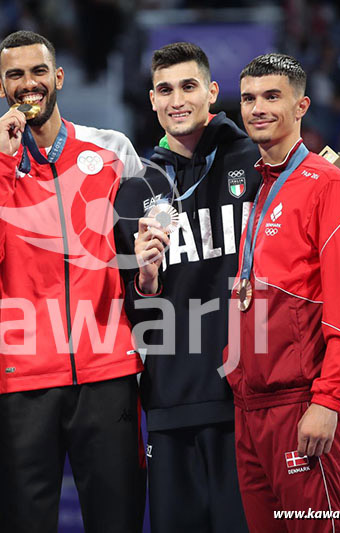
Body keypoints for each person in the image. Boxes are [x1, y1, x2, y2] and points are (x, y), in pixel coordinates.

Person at [0, 31, 146, 533]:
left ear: (57, 77)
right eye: (15, 75)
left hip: (107, 372)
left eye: (38, 71)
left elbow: (143, 256)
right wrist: (4, 161)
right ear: (0, 87)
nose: (29, 84)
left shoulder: (113, 151)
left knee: (118, 522)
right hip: (23, 381)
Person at [223, 53, 340, 532]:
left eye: (272, 97)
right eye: (249, 98)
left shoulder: (330, 186)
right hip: (251, 409)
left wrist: (330, 402)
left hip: (302, 405)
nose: (258, 108)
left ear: (302, 105)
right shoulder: (259, 187)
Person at [114, 41, 257, 533]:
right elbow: (132, 310)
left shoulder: (255, 163)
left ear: (212, 91)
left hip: (247, 397)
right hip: (170, 401)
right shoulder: (135, 190)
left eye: (189, 86)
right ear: (152, 100)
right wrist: (146, 278)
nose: (177, 99)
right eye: (165, 89)